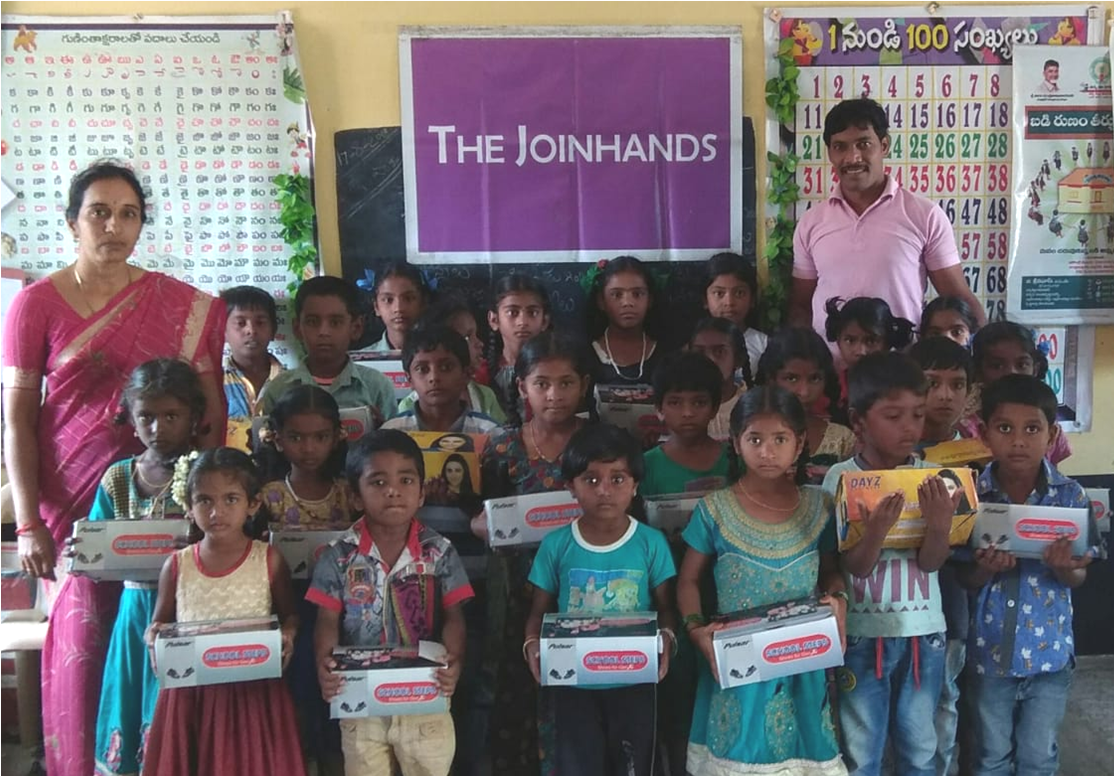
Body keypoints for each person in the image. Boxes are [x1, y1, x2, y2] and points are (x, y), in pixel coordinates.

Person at [1, 161, 227, 776]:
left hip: (164, 504)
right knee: (83, 644)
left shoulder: (178, 305)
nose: (113, 226)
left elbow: (210, 416)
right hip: (74, 505)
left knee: (155, 638)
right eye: (99, 212)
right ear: (72, 222)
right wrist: (29, 524)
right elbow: (18, 422)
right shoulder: (34, 306)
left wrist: (205, 512)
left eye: (129, 214)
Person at [679, 385, 848, 776]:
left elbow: (831, 570)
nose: (767, 451)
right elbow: (688, 580)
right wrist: (696, 630)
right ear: (736, 443)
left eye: (780, 439)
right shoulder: (715, 509)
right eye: (755, 439)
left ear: (799, 443)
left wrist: (839, 599)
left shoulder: (819, 506)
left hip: (802, 661)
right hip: (736, 663)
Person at [821, 352, 959, 776]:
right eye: (894, 416)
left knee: (920, 747)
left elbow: (932, 563)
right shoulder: (841, 479)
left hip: (923, 632)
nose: (910, 427)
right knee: (863, 750)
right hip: (863, 634)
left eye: (917, 414)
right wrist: (876, 531)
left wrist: (940, 526)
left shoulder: (934, 476)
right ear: (858, 421)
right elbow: (854, 568)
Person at [309, 430, 473, 777]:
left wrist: (454, 661)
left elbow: (454, 616)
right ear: (356, 496)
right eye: (378, 482)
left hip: (424, 690)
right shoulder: (338, 555)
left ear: (422, 492)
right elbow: (327, 619)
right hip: (360, 695)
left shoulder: (439, 551)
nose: (393, 491)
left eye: (406, 480)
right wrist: (326, 665)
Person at [959, 375, 1100, 775]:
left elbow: (1079, 577)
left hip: (1049, 657)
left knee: (1038, 757)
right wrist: (984, 568)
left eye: (1032, 429)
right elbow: (965, 578)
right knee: (991, 757)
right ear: (984, 433)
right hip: (990, 656)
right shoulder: (974, 495)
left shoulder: (1070, 496)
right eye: (1005, 428)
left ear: (1052, 435)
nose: (1018, 441)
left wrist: (1064, 567)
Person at [524, 424, 678, 776]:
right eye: (591, 480)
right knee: (580, 766)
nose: (604, 490)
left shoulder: (650, 543)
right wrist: (531, 644)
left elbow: (666, 608)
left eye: (617, 479)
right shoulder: (556, 545)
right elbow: (538, 612)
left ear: (635, 485)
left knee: (635, 764)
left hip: (635, 681)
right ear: (571, 486)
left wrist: (668, 639)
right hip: (574, 683)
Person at [143, 448, 304, 775]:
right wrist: (153, 634)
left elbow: (291, 614)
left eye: (231, 499)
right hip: (192, 694)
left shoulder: (268, 559)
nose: (217, 512)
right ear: (189, 507)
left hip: (253, 691)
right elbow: (160, 621)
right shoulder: (177, 565)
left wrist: (288, 633)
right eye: (204, 500)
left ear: (253, 504)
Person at [475, 332, 592, 775]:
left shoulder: (599, 443)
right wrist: (487, 525)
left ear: (583, 385)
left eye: (566, 383)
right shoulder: (503, 446)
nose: (554, 394)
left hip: (584, 588)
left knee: (579, 692)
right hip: (518, 592)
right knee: (520, 686)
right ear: (522, 386)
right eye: (542, 383)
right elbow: (481, 514)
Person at [790, 98, 985, 348]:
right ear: (829, 152)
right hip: (832, 369)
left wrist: (981, 357)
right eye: (840, 147)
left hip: (902, 367)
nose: (852, 157)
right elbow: (800, 307)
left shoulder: (924, 215)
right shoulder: (811, 222)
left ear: (884, 146)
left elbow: (959, 300)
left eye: (863, 144)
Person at [88, 359, 205, 776]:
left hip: (192, 610)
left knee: (179, 702)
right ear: (131, 418)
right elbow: (96, 546)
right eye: (146, 417)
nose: (158, 428)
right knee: (133, 692)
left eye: (171, 416)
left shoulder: (208, 473)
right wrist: (82, 552)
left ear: (194, 416)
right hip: (136, 610)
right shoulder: (118, 478)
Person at [260, 276, 397, 426]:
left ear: (356, 328)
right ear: (297, 328)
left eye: (335, 322)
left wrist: (382, 432)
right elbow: (268, 437)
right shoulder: (279, 389)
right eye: (312, 322)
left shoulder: (377, 386)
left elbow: (393, 437)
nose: (323, 332)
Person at [960, 322, 1072, 466]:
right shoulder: (966, 425)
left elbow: (1050, 473)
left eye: (1021, 365)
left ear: (1035, 369)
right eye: (997, 366)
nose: (1011, 373)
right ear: (978, 372)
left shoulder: (1045, 422)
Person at [756, 327, 854, 485]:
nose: (804, 391)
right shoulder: (752, 436)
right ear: (771, 380)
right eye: (792, 379)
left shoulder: (842, 439)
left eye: (814, 379)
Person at [403, 295, 506, 422]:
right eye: (468, 337)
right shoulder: (408, 406)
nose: (480, 343)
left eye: (476, 334)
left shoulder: (484, 396)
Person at [642, 351, 731, 498]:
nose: (688, 413)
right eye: (675, 403)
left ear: (714, 408)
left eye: (699, 403)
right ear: (659, 409)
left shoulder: (736, 459)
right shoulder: (646, 466)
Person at [382, 325, 499, 434]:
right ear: (409, 379)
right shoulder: (393, 431)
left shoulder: (489, 432)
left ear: (466, 374)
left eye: (446, 367)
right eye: (422, 369)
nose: (434, 377)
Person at [220, 285, 285, 451]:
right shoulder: (214, 384)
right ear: (223, 330)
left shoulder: (291, 382)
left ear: (273, 330)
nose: (251, 330)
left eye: (260, 322)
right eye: (240, 323)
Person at [585, 255, 665, 387]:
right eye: (617, 295)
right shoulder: (584, 354)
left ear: (650, 300)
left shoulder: (667, 354)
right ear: (601, 301)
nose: (627, 303)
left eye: (637, 294)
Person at [688, 317, 751, 441]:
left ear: (738, 359)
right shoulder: (680, 408)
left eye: (719, 352)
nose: (710, 360)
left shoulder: (754, 406)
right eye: (700, 353)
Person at [702, 251, 768, 370]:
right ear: (705, 300)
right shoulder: (695, 346)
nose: (729, 302)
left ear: (752, 299)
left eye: (739, 293)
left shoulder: (764, 345)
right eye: (719, 293)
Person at [909, 337, 974, 448]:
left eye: (958, 385)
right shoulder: (885, 452)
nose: (946, 396)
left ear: (968, 393)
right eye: (932, 383)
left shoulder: (978, 453)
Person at [825, 295, 916, 372]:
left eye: (871, 341)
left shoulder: (900, 385)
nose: (860, 351)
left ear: (887, 344)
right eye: (850, 340)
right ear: (838, 341)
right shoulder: (832, 384)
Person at [366, 260, 431, 353]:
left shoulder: (440, 357)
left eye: (408, 298)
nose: (398, 308)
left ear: (423, 302)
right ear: (376, 307)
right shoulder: (363, 359)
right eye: (388, 300)